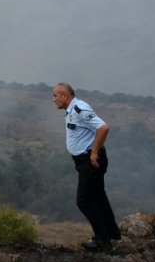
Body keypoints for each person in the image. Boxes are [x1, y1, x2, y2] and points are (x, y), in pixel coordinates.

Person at [52, 83, 121, 251]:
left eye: (55, 96)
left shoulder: (79, 110)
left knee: (83, 201)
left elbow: (103, 128)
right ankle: (112, 232)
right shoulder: (71, 110)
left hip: (90, 161)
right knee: (98, 196)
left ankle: (102, 240)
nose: (53, 100)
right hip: (85, 160)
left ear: (65, 96)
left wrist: (94, 152)